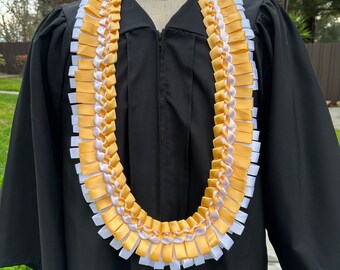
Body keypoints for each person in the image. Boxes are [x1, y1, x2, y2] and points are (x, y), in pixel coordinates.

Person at [0, 0, 339, 269]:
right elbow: (40, 171)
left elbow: (296, 167)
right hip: (97, 255)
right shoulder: (69, 35)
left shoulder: (255, 29)